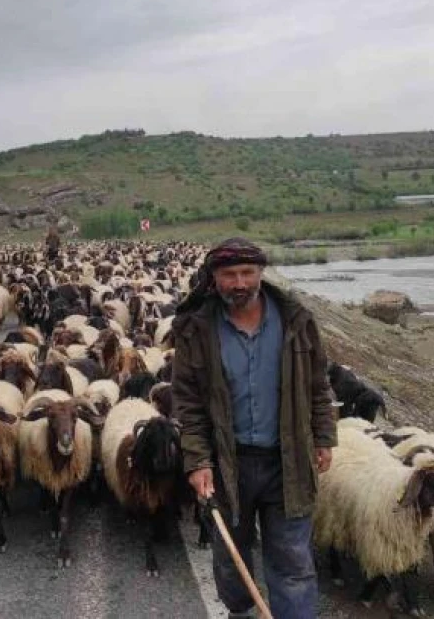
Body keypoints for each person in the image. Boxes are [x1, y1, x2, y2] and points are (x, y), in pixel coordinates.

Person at [172, 237, 336, 619]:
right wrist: (197, 461)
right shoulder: (196, 329)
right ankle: (241, 611)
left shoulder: (297, 320)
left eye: (247, 273)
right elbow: (189, 403)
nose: (240, 283)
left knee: (293, 561)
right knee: (230, 556)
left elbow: (317, 383)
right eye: (229, 275)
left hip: (287, 461)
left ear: (261, 273)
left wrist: (324, 435)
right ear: (214, 278)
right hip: (229, 464)